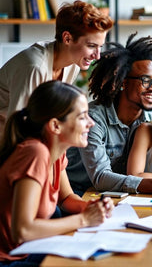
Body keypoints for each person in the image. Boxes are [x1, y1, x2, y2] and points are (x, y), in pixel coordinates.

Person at [66, 32, 152, 196]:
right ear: (123, 82)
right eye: (146, 81)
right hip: (79, 193)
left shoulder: (151, 119)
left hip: (119, 195)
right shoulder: (93, 119)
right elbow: (101, 178)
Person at [0, 80, 114, 266]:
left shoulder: (57, 153)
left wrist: (91, 208)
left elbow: (66, 198)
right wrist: (84, 220)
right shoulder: (35, 152)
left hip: (30, 250)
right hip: (9, 260)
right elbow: (22, 230)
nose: (91, 123)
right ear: (55, 126)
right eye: (82, 117)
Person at [0, 0, 113, 138]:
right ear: (67, 38)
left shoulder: (73, 64)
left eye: (100, 47)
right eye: (91, 46)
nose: (97, 55)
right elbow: (17, 129)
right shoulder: (35, 67)